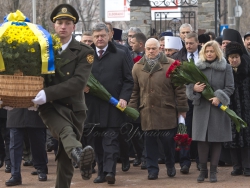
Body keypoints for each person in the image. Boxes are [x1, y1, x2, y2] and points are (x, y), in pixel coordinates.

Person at [31, 4, 95, 188]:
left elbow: (78, 83)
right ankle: (79, 154)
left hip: (74, 107)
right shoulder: (42, 47)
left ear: (73, 27)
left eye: (68, 23)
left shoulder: (84, 51)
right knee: (65, 131)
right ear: (54, 25)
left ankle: (76, 160)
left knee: (64, 159)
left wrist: (46, 92)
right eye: (60, 22)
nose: (63, 26)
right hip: (49, 105)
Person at [128, 38, 189, 180]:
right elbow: (134, 90)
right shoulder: (137, 67)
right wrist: (131, 108)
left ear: (159, 48)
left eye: (153, 48)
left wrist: (182, 108)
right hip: (147, 111)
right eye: (148, 48)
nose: (151, 51)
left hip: (166, 111)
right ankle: (152, 170)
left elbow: (180, 89)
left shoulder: (172, 64)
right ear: (145, 49)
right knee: (150, 145)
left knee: (168, 143)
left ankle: (170, 165)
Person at [85, 22, 134, 184]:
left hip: (114, 106)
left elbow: (129, 80)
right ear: (92, 38)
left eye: (103, 36)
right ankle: (100, 172)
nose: (100, 39)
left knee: (111, 141)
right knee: (97, 142)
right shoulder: (85, 56)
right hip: (92, 106)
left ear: (109, 36)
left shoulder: (120, 54)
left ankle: (110, 172)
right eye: (97, 36)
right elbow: (77, 78)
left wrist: (124, 98)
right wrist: (82, 87)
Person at [186, 40, 234, 183]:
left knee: (216, 140)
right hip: (201, 108)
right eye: (207, 51)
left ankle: (213, 172)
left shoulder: (226, 68)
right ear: (203, 53)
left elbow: (230, 88)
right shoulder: (197, 68)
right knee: (202, 140)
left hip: (218, 109)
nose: (209, 53)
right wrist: (194, 89)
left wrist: (219, 97)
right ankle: (203, 171)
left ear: (217, 52)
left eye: (212, 51)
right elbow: (189, 86)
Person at [172, 33, 201, 174]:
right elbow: (175, 80)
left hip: (202, 99)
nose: (188, 46)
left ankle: (201, 161)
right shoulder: (178, 57)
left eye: (191, 43)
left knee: (200, 130)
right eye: (186, 43)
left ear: (198, 43)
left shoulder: (204, 55)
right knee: (184, 130)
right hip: (184, 99)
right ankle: (185, 162)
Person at [225, 41, 250, 176]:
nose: (234, 60)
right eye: (231, 57)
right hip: (231, 108)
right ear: (228, 58)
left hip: (246, 109)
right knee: (232, 137)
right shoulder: (226, 72)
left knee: (246, 138)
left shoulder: (247, 70)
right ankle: (236, 166)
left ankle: (247, 166)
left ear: (240, 57)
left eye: (236, 57)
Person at [5, 109, 48, 186]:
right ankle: (15, 174)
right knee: (14, 145)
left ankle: (41, 169)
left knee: (38, 142)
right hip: (15, 110)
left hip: (34, 109)